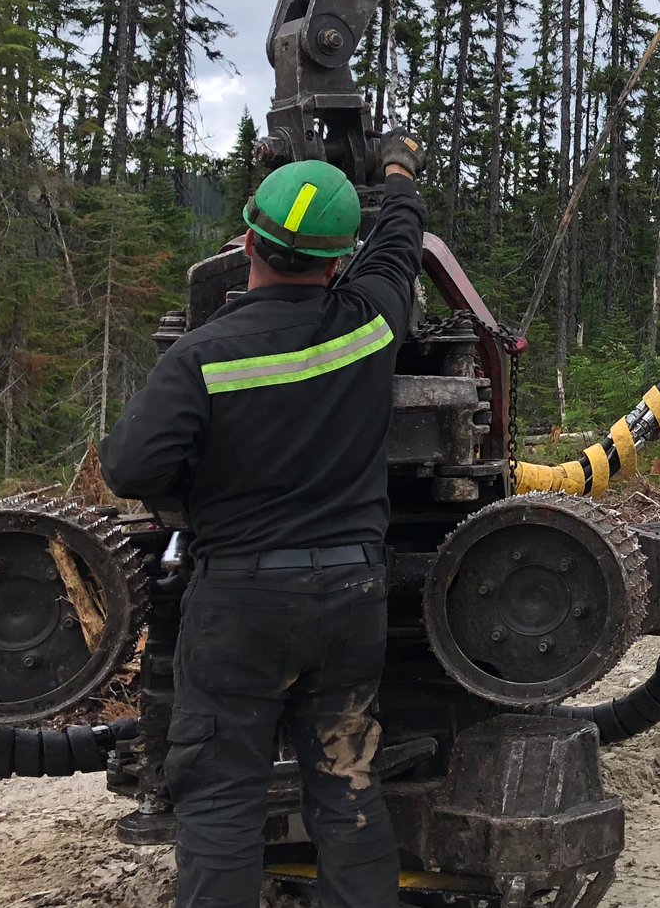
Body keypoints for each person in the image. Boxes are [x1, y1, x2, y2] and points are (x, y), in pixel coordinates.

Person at [101, 133, 427, 908]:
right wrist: (397, 168)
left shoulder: (202, 357)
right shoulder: (373, 322)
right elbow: (401, 240)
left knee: (221, 799)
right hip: (351, 597)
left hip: (240, 607)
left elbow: (129, 468)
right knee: (348, 791)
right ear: (338, 259)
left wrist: (200, 484)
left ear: (248, 240)